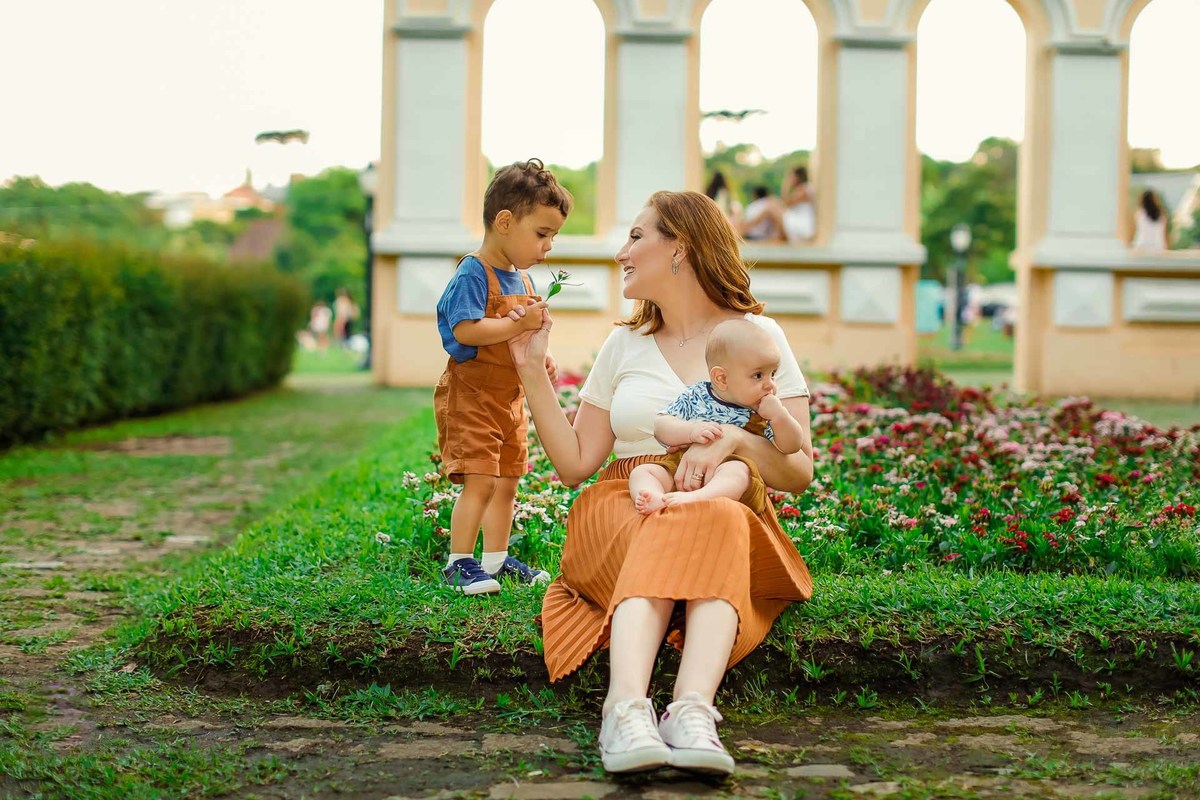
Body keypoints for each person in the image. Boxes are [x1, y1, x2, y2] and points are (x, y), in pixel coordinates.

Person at [505, 190, 814, 777]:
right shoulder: (624, 344)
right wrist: (529, 367)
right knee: (660, 512)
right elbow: (576, 463)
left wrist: (737, 443)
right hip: (630, 497)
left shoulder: (758, 337)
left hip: (720, 500)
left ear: (681, 248)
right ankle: (624, 710)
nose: (622, 251)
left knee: (715, 514)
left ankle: (691, 711)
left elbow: (799, 472)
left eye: (637, 236)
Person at [433, 158, 571, 595]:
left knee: (509, 478)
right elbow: (464, 329)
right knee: (481, 478)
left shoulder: (524, 279)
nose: (548, 247)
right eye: (542, 234)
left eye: (553, 236)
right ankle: (459, 562)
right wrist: (517, 326)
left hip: (509, 401)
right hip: (472, 396)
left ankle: (495, 560)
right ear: (506, 222)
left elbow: (521, 341)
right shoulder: (472, 273)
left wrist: (540, 359)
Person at [628, 318, 806, 516]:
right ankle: (655, 497)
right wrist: (690, 431)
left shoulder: (763, 413)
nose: (770, 384)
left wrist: (780, 416)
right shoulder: (697, 395)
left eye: (773, 374)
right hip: (681, 469)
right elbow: (661, 426)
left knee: (737, 471)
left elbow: (792, 446)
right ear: (721, 378)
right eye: (758, 375)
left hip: (733, 483)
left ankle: (696, 499)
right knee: (643, 472)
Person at [780, 166, 815, 244]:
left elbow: (787, 203)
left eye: (792, 176)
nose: (790, 178)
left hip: (802, 226)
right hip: (797, 222)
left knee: (771, 207)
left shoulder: (805, 189)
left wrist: (785, 187)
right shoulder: (800, 189)